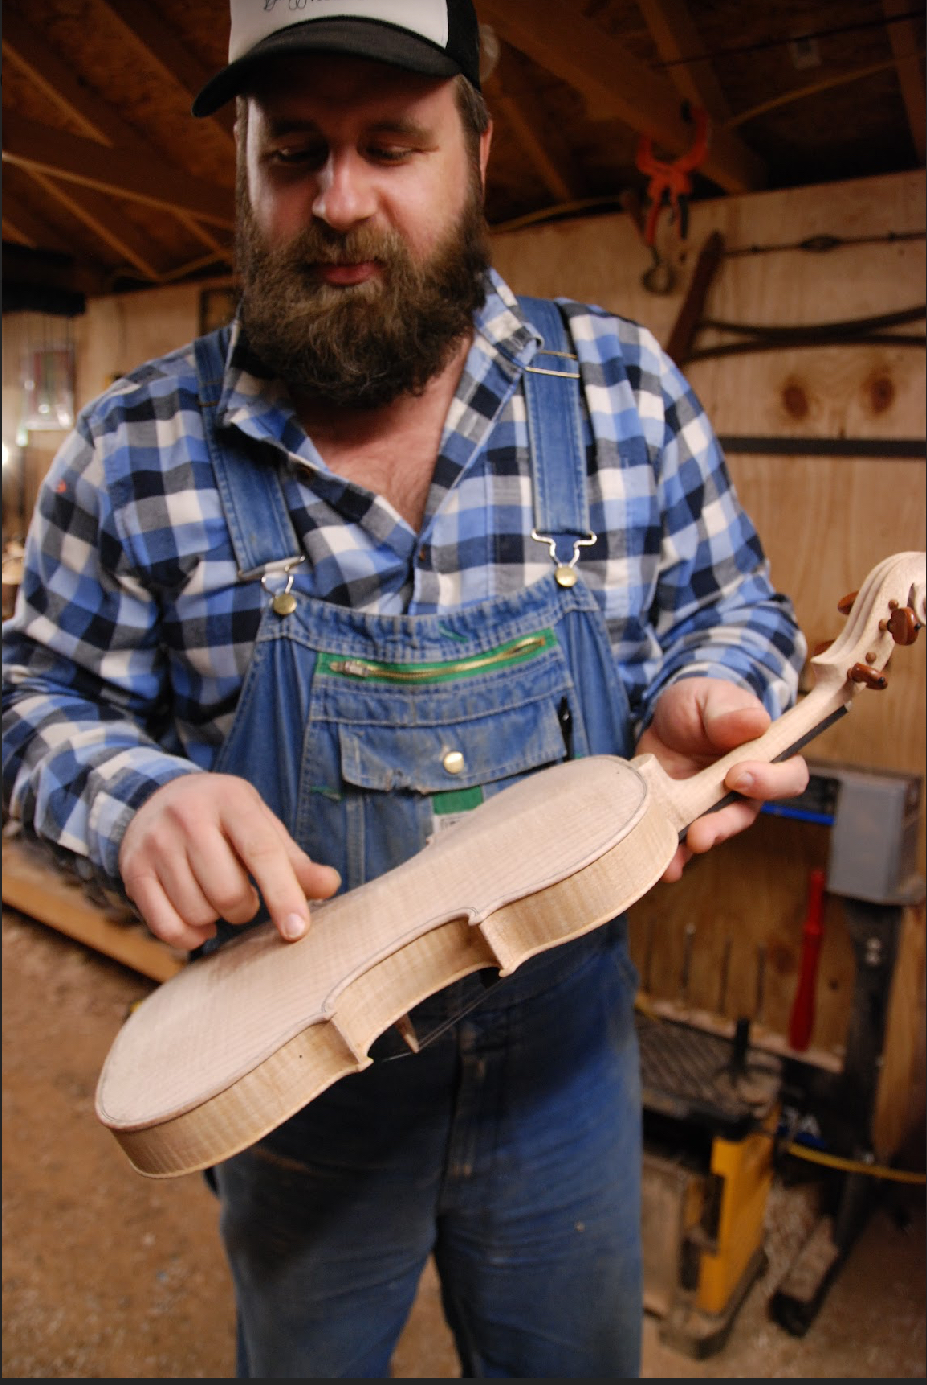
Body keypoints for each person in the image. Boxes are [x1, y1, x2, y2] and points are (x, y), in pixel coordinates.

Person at [2, 2, 809, 1376]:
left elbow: (736, 605)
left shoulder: (624, 391)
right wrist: (136, 798)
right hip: (295, 1081)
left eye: (392, 142)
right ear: (243, 164)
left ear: (477, 153)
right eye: (295, 148)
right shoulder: (134, 446)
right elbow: (31, 697)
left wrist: (717, 681)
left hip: (566, 1063)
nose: (338, 200)